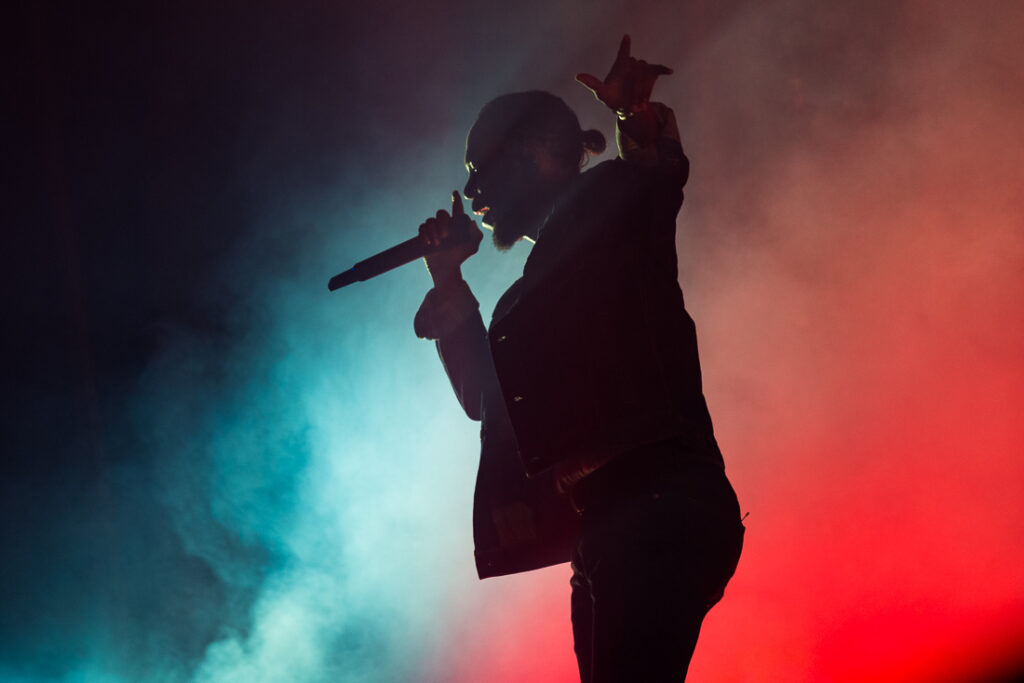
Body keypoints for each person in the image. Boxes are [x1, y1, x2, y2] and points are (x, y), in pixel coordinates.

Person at [414, 35, 744, 682]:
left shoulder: (610, 205)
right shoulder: (522, 302)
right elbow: (486, 401)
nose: (471, 191)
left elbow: (653, 179)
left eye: (482, 168)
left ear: (539, 152)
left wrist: (632, 119)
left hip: (656, 504)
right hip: (605, 524)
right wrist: (447, 279)